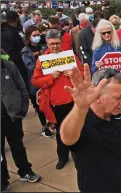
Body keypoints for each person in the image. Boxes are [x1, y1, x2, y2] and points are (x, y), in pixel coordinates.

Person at [59, 66, 121, 192]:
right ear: (98, 96)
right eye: (118, 97)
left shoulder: (120, 113)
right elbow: (67, 138)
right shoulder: (81, 120)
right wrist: (80, 108)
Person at [31, 29, 84, 170]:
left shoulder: (69, 55)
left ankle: (79, 155)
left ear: (62, 42)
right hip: (55, 103)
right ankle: (62, 157)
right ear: (47, 44)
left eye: (57, 43)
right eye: (51, 44)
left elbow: (84, 73)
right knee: (61, 132)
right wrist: (50, 78)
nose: (55, 46)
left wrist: (74, 73)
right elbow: (35, 81)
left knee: (78, 129)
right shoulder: (43, 59)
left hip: (73, 100)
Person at [91, 19, 121, 149]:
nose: (107, 35)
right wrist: (96, 66)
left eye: (109, 32)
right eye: (104, 33)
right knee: (109, 113)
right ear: (99, 34)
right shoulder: (97, 49)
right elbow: (92, 71)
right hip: (106, 88)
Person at [1, 58, 41, 192]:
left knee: (17, 146)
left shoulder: (8, 65)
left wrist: (23, 108)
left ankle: (25, 171)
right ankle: (2, 180)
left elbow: (21, 86)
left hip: (12, 116)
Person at [20, 25, 54, 138]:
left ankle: (51, 123)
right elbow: (31, 66)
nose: (37, 37)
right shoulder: (25, 51)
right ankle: (44, 127)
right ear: (29, 36)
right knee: (40, 106)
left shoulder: (43, 47)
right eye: (34, 35)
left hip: (48, 80)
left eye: (38, 35)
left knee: (49, 103)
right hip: (35, 83)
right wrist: (46, 67)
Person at [1, 11, 27, 87]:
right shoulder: (6, 32)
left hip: (22, 57)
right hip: (16, 62)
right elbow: (9, 51)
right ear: (16, 19)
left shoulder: (18, 28)